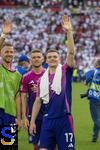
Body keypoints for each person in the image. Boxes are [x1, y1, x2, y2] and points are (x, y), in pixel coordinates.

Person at [30, 15, 75, 150]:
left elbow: (71, 53)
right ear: (46, 60)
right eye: (49, 57)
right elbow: (38, 101)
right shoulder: (42, 79)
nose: (52, 59)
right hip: (47, 120)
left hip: (64, 119)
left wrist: (69, 32)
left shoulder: (65, 70)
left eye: (55, 57)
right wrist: (32, 121)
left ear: (59, 58)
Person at [21, 49, 45, 150]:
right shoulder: (26, 77)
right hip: (33, 116)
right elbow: (23, 98)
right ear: (30, 60)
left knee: (52, 143)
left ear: (43, 59)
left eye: (38, 57)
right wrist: (24, 117)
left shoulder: (48, 74)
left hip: (48, 113)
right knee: (36, 145)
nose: (36, 59)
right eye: (34, 57)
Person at [85, 58, 100, 142]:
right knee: (98, 119)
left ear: (97, 65)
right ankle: (94, 137)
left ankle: (94, 136)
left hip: (95, 98)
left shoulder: (92, 72)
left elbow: (85, 82)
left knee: (96, 119)